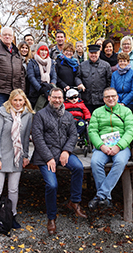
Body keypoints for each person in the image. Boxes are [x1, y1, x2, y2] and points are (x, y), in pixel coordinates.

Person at [31, 88, 87, 235]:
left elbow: (73, 135)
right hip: (45, 155)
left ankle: (74, 202)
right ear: (49, 98)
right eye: (54, 97)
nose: (57, 100)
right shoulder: (40, 115)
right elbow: (37, 138)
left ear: (63, 99)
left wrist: (66, 151)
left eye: (60, 98)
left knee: (78, 168)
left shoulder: (68, 115)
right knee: (52, 184)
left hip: (63, 152)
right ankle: (51, 217)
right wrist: (49, 158)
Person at [0, 89, 34, 236]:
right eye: (15, 100)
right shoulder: (2, 113)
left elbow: (25, 138)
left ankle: (11, 217)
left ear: (24, 101)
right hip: (0, 157)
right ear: (10, 101)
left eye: (21, 100)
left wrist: (25, 155)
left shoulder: (27, 115)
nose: (18, 103)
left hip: (16, 157)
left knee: (13, 189)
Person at [88, 87, 133, 209]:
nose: (110, 98)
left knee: (120, 162)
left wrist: (119, 146)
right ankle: (106, 198)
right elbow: (92, 131)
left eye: (113, 96)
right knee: (95, 162)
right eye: (107, 97)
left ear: (117, 97)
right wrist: (101, 146)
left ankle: (100, 195)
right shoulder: (97, 112)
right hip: (102, 146)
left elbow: (130, 130)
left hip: (121, 146)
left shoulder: (126, 111)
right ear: (103, 99)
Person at [75, 44, 112, 113]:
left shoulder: (106, 65)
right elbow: (77, 77)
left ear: (99, 53)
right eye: (91, 53)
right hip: (86, 99)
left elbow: (109, 81)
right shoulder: (82, 65)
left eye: (95, 53)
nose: (93, 55)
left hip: (101, 100)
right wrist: (79, 83)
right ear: (88, 53)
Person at [27, 43, 57, 111]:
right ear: (38, 51)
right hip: (36, 91)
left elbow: (54, 76)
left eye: (46, 50)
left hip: (48, 90)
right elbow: (31, 77)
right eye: (42, 50)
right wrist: (40, 89)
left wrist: (52, 84)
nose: (44, 52)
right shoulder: (32, 62)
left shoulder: (51, 62)